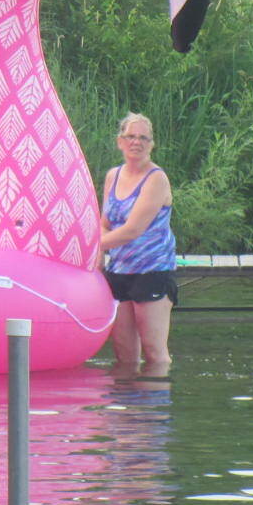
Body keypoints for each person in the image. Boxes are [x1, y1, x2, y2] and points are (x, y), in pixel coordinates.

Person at [98, 112, 177, 379]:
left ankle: (153, 416)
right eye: (131, 136)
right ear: (120, 141)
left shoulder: (156, 179)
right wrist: (97, 251)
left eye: (144, 138)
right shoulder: (113, 176)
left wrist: (91, 245)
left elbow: (133, 230)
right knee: (125, 355)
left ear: (151, 145)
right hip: (119, 271)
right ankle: (126, 416)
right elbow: (104, 223)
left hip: (152, 270)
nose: (137, 142)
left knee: (154, 353)